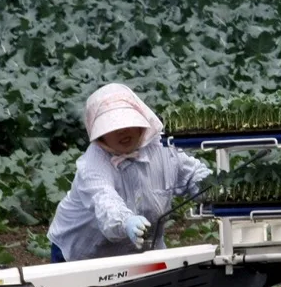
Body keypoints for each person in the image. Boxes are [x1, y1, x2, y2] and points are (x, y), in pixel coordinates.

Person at [47, 83, 211, 262]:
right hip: (82, 253)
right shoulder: (92, 165)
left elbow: (192, 174)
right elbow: (105, 201)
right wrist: (126, 222)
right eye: (112, 127)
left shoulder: (163, 148)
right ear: (100, 135)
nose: (122, 131)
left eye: (127, 122)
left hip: (140, 251)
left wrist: (212, 189)